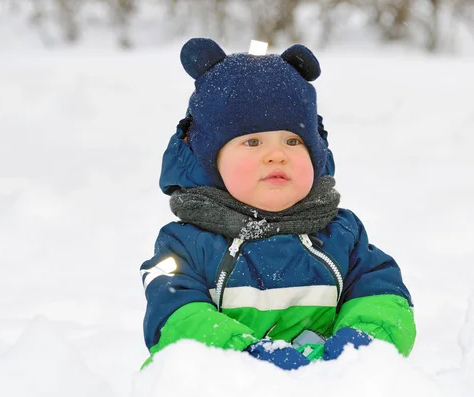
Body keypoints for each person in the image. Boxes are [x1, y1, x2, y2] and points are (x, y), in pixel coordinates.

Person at [140, 38, 416, 370]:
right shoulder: (183, 246)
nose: (276, 154)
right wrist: (245, 357)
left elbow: (383, 296)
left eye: (292, 140)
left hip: (329, 381)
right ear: (209, 162)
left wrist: (362, 345)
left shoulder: (343, 236)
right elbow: (175, 317)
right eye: (252, 141)